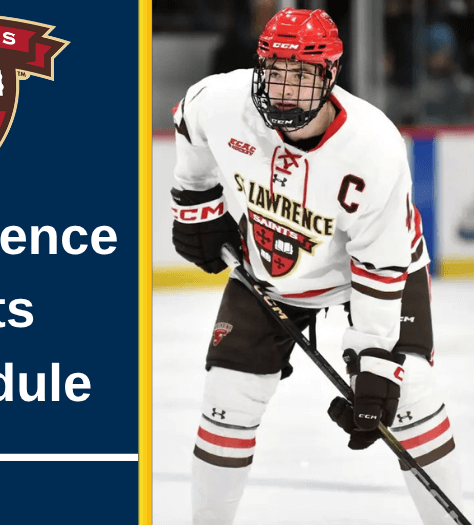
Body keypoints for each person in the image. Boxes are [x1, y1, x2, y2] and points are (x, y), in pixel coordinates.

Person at [171, 8, 465, 524]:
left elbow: (379, 265)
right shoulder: (222, 101)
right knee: (227, 398)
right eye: (276, 70)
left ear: (330, 75)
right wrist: (195, 201)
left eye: (302, 74)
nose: (285, 88)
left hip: (372, 275)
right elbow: (188, 121)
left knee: (409, 395)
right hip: (272, 272)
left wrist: (376, 364)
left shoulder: (372, 147)